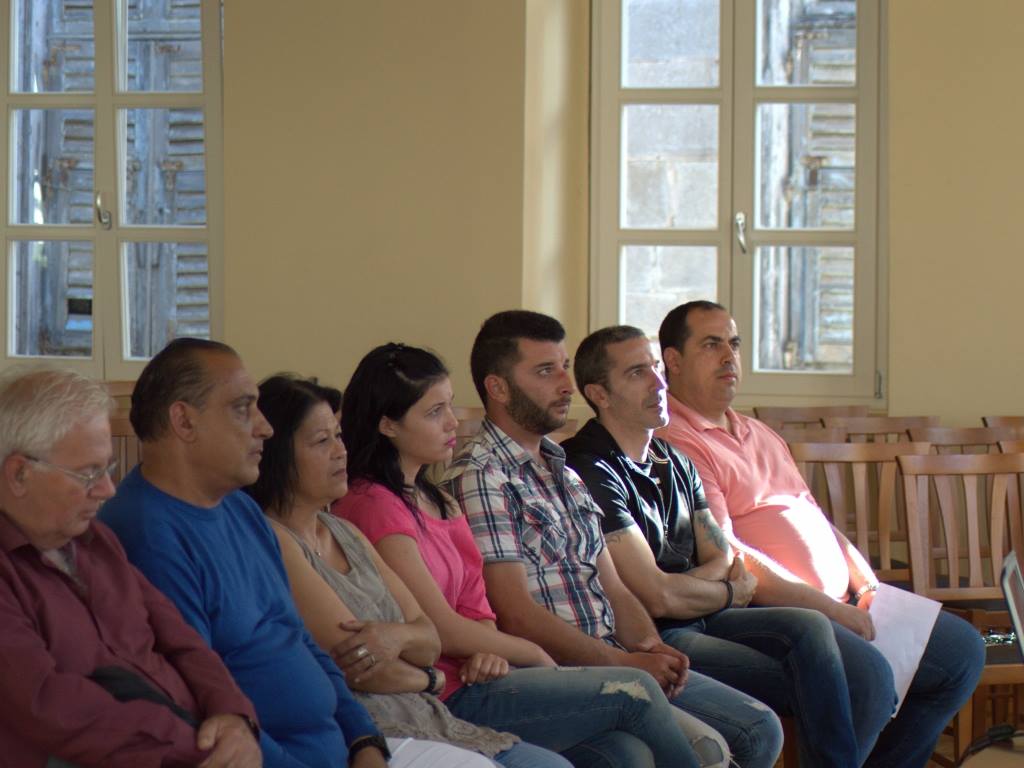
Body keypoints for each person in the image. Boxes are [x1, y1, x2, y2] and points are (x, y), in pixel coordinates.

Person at [335, 343, 718, 768]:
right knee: (636, 691)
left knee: (624, 753)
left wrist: (490, 650)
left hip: (483, 672)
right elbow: (440, 625)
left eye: (449, 405)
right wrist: (528, 653)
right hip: (441, 690)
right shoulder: (374, 505)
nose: (452, 422)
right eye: (434, 412)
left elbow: (476, 607)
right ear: (388, 424)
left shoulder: (438, 499)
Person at [442, 311, 784, 768]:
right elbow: (515, 612)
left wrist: (650, 648)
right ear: (498, 388)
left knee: (760, 727)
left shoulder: (563, 471)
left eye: (564, 367)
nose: (566, 385)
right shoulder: (482, 475)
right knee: (697, 751)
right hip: (554, 669)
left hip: (613, 655)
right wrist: (621, 664)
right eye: (545, 371)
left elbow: (614, 587)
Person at [657, 300, 987, 768]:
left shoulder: (758, 432)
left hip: (841, 600)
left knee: (962, 652)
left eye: (734, 343)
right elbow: (730, 555)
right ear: (672, 360)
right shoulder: (677, 440)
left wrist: (866, 582)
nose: (729, 356)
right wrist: (830, 608)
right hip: (777, 612)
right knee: (868, 678)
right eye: (712, 345)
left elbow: (814, 517)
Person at [562, 324, 894, 766]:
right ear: (599, 394)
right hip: (656, 634)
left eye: (657, 368)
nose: (659, 383)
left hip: (706, 613)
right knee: (826, 681)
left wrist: (694, 585)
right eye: (638, 373)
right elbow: (655, 595)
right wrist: (728, 590)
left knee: (813, 629)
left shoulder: (674, 458)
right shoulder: (589, 465)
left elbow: (721, 554)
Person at [246, 373, 567, 768]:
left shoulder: (345, 532)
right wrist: (430, 676)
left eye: (339, 436)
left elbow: (428, 637)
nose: (340, 452)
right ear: (276, 454)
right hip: (371, 728)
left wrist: (399, 639)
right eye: (321, 441)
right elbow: (361, 667)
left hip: (429, 714)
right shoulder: (274, 539)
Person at [100, 339, 388, 768]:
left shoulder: (240, 509)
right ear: (184, 421)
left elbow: (300, 639)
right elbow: (200, 708)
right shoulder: (146, 534)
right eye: (242, 408)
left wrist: (365, 741)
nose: (265, 428)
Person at [0, 368, 260, 768]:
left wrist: (233, 716)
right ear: (19, 473)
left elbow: (182, 641)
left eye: (107, 469)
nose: (108, 490)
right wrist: (201, 748)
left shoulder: (97, 542)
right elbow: (47, 704)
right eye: (89, 473)